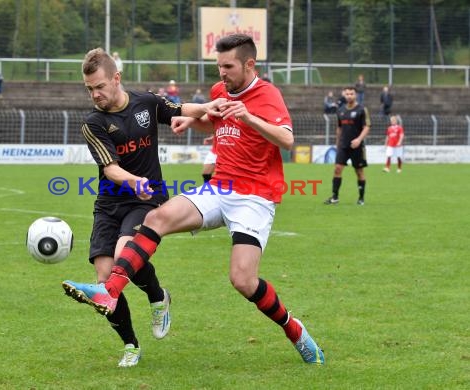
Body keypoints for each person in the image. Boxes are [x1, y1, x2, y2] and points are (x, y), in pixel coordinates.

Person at [62, 34, 325, 365]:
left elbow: (287, 140)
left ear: (249, 64)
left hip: (254, 196)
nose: (222, 73)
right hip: (218, 188)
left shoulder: (267, 94)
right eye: (218, 66)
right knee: (156, 218)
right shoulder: (219, 91)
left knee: (243, 280)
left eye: (228, 66)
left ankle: (294, 331)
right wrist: (192, 120)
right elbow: (212, 124)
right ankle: (110, 290)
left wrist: (248, 117)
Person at [61, 48, 225, 367]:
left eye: (100, 86)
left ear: (116, 78)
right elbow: (110, 168)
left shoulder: (146, 102)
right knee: (104, 277)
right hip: (109, 204)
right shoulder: (93, 123)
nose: (95, 94)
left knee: (126, 255)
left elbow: (178, 108)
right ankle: (131, 344)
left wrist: (207, 106)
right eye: (89, 89)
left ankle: (156, 296)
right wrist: (133, 179)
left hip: (147, 200)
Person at [324, 86, 371, 206]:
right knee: (337, 169)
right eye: (347, 94)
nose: (349, 96)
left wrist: (359, 140)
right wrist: (337, 143)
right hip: (343, 146)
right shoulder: (340, 110)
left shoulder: (362, 109)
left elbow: (367, 127)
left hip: (357, 147)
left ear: (355, 95)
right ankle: (335, 197)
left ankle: (361, 198)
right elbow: (339, 128)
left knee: (359, 172)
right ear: (344, 95)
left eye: (352, 94)